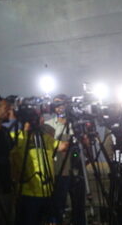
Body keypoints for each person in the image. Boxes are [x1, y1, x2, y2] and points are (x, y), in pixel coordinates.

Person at [11, 102, 68, 225]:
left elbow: (62, 146)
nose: (42, 119)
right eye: (38, 116)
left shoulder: (44, 137)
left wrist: (75, 136)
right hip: (28, 192)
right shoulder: (16, 137)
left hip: (47, 191)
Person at [45, 94, 85, 225]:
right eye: (56, 104)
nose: (59, 107)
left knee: (79, 207)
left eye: (61, 103)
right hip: (58, 171)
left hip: (77, 170)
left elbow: (85, 147)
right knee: (57, 206)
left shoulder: (77, 125)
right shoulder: (48, 126)